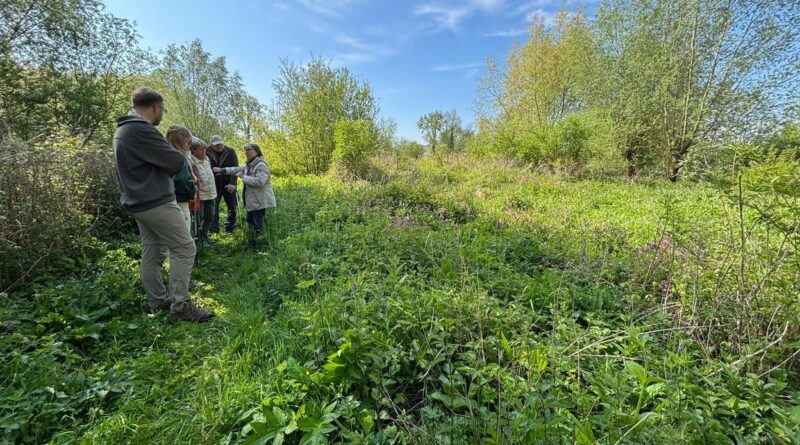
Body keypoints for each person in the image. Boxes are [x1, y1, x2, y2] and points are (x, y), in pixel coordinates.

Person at [113, 86, 214, 323]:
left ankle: (157, 300)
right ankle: (181, 307)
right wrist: (179, 153)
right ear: (155, 107)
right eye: (163, 110)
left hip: (138, 200)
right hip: (155, 200)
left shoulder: (122, 130)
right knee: (184, 247)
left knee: (153, 250)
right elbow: (173, 162)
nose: (162, 115)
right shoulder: (141, 130)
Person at [213, 143, 275, 247]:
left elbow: (260, 182)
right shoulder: (251, 164)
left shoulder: (261, 165)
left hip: (259, 201)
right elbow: (237, 169)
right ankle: (253, 245)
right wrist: (223, 170)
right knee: (250, 222)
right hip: (252, 201)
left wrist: (243, 177)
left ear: (256, 151)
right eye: (245, 150)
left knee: (258, 224)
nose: (246, 152)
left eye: (248, 150)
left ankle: (261, 246)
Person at [165, 125, 197, 233]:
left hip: (164, 201)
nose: (189, 146)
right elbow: (183, 180)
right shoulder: (180, 157)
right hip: (180, 201)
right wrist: (192, 189)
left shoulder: (163, 154)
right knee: (184, 238)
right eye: (188, 142)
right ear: (182, 141)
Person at [206, 135, 238, 234]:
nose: (219, 146)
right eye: (216, 144)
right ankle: (214, 231)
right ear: (211, 144)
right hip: (213, 184)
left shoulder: (231, 152)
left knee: (232, 207)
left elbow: (235, 168)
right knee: (213, 209)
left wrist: (233, 184)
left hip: (228, 183)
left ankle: (229, 228)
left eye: (221, 143)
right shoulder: (206, 151)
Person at [190, 136, 217, 247]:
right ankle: (200, 239)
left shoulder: (207, 159)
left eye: (205, 149)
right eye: (201, 149)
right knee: (199, 218)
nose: (204, 151)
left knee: (210, 216)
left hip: (211, 193)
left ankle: (205, 235)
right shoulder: (191, 161)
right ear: (194, 150)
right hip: (200, 196)